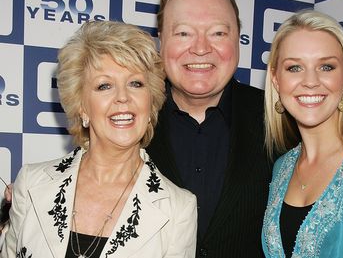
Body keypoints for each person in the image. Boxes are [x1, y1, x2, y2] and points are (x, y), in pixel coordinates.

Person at [0, 20, 197, 258]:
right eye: (104, 86)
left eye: (135, 83)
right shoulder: (31, 184)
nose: (123, 97)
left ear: (151, 102)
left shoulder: (178, 209)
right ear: (82, 107)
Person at [146, 0, 272, 258]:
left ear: (237, 39)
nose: (201, 48)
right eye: (183, 33)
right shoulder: (129, 117)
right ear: (161, 41)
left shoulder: (280, 118)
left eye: (218, 33)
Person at [261, 9, 343, 257]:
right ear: (276, 80)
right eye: (294, 68)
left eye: (326, 66)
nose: (310, 81)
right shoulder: (282, 167)